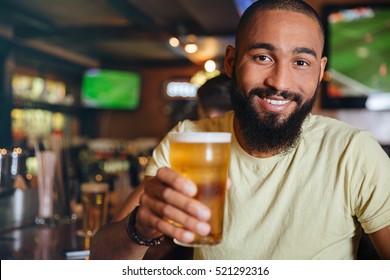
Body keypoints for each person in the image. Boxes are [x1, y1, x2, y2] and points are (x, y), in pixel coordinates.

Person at [90, 0, 390, 260]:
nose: (280, 82)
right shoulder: (190, 139)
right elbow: (102, 260)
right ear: (231, 62)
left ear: (321, 71)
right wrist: (139, 228)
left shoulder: (353, 152)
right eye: (262, 57)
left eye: (301, 62)